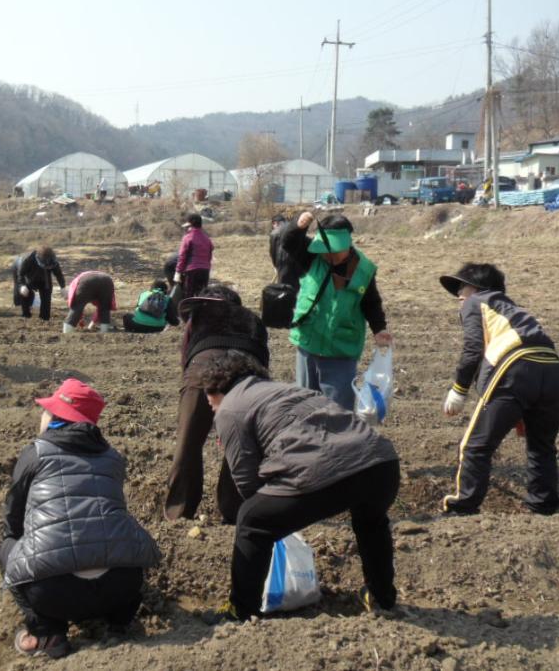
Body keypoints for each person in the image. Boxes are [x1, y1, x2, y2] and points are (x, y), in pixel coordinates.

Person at [198, 350, 401, 623]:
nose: (209, 405)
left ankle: (240, 609)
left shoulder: (230, 409)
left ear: (216, 387)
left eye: (208, 399)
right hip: (381, 464)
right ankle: (382, 597)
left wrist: (276, 519)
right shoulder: (285, 389)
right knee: (371, 521)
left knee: (252, 518)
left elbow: (247, 483)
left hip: (325, 470)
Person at [0, 379, 161, 659]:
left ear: (56, 418)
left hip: (53, 594)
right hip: (120, 586)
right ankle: (119, 623)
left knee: (5, 548)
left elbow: (13, 520)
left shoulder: (35, 453)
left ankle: (47, 633)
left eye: (47, 410)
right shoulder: (113, 457)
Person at [439, 263, 559, 516]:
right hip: (552, 369)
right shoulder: (515, 310)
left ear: (476, 288)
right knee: (541, 444)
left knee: (475, 446)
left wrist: (459, 389)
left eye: (462, 289)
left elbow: (473, 350)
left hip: (514, 368)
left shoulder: (476, 303)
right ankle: (543, 506)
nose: (459, 297)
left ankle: (463, 507)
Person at [164, 285, 269, 523]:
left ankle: (179, 513)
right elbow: (263, 359)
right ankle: (236, 511)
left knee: (188, 443)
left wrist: (191, 389)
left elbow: (186, 355)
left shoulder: (199, 314)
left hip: (203, 367)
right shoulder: (253, 320)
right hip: (248, 370)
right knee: (241, 442)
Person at [284, 212, 392, 410]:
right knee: (305, 405)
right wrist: (298, 227)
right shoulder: (312, 258)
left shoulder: (364, 270)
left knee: (338, 410)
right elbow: (288, 243)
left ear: (347, 244)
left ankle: (337, 441)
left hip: (340, 349)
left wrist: (379, 328)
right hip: (308, 342)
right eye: (325, 249)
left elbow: (371, 302)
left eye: (333, 250)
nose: (328, 255)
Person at [12, 246, 66, 321]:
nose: (48, 267)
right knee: (25, 293)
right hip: (25, 272)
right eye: (46, 266)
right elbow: (20, 274)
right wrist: (22, 286)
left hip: (44, 277)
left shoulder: (52, 260)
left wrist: (63, 287)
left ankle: (44, 318)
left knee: (47, 295)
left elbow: (58, 274)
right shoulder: (28, 259)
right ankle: (25, 315)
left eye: (49, 267)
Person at [173, 213, 213, 304]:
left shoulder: (188, 237)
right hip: (205, 271)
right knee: (202, 296)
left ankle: (187, 316)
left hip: (192, 271)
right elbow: (209, 255)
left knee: (188, 296)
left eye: (187, 227)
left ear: (191, 225)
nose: (187, 229)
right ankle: (201, 315)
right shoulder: (207, 238)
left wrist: (178, 272)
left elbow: (182, 256)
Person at [269, 213, 300, 288]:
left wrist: (276, 266)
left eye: (273, 225)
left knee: (284, 288)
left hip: (283, 264)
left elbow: (273, 252)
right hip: (299, 264)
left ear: (275, 223)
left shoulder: (275, 233)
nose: (273, 227)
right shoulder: (294, 228)